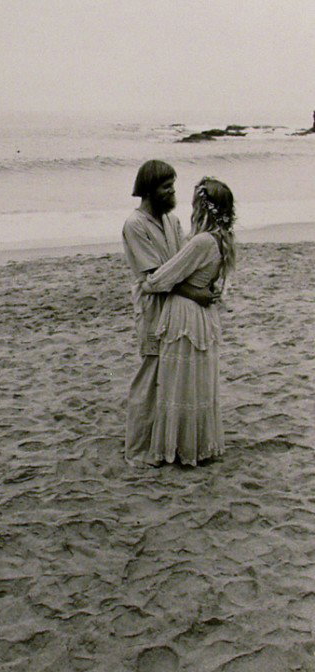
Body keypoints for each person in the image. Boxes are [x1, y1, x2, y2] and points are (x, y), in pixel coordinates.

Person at [122, 160, 217, 466]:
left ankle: (166, 444)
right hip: (153, 306)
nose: (172, 192)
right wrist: (196, 293)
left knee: (170, 376)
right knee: (150, 377)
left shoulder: (171, 221)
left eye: (173, 185)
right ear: (149, 190)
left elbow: (180, 268)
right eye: (166, 187)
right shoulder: (135, 225)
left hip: (175, 308)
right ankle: (138, 449)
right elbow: (153, 278)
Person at [141, 176, 236, 466]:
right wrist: (194, 290)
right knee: (197, 382)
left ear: (203, 207)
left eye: (196, 202)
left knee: (178, 382)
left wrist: (153, 281)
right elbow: (206, 284)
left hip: (185, 316)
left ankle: (179, 448)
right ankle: (196, 444)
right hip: (202, 316)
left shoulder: (202, 241)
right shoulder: (222, 238)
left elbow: (158, 281)